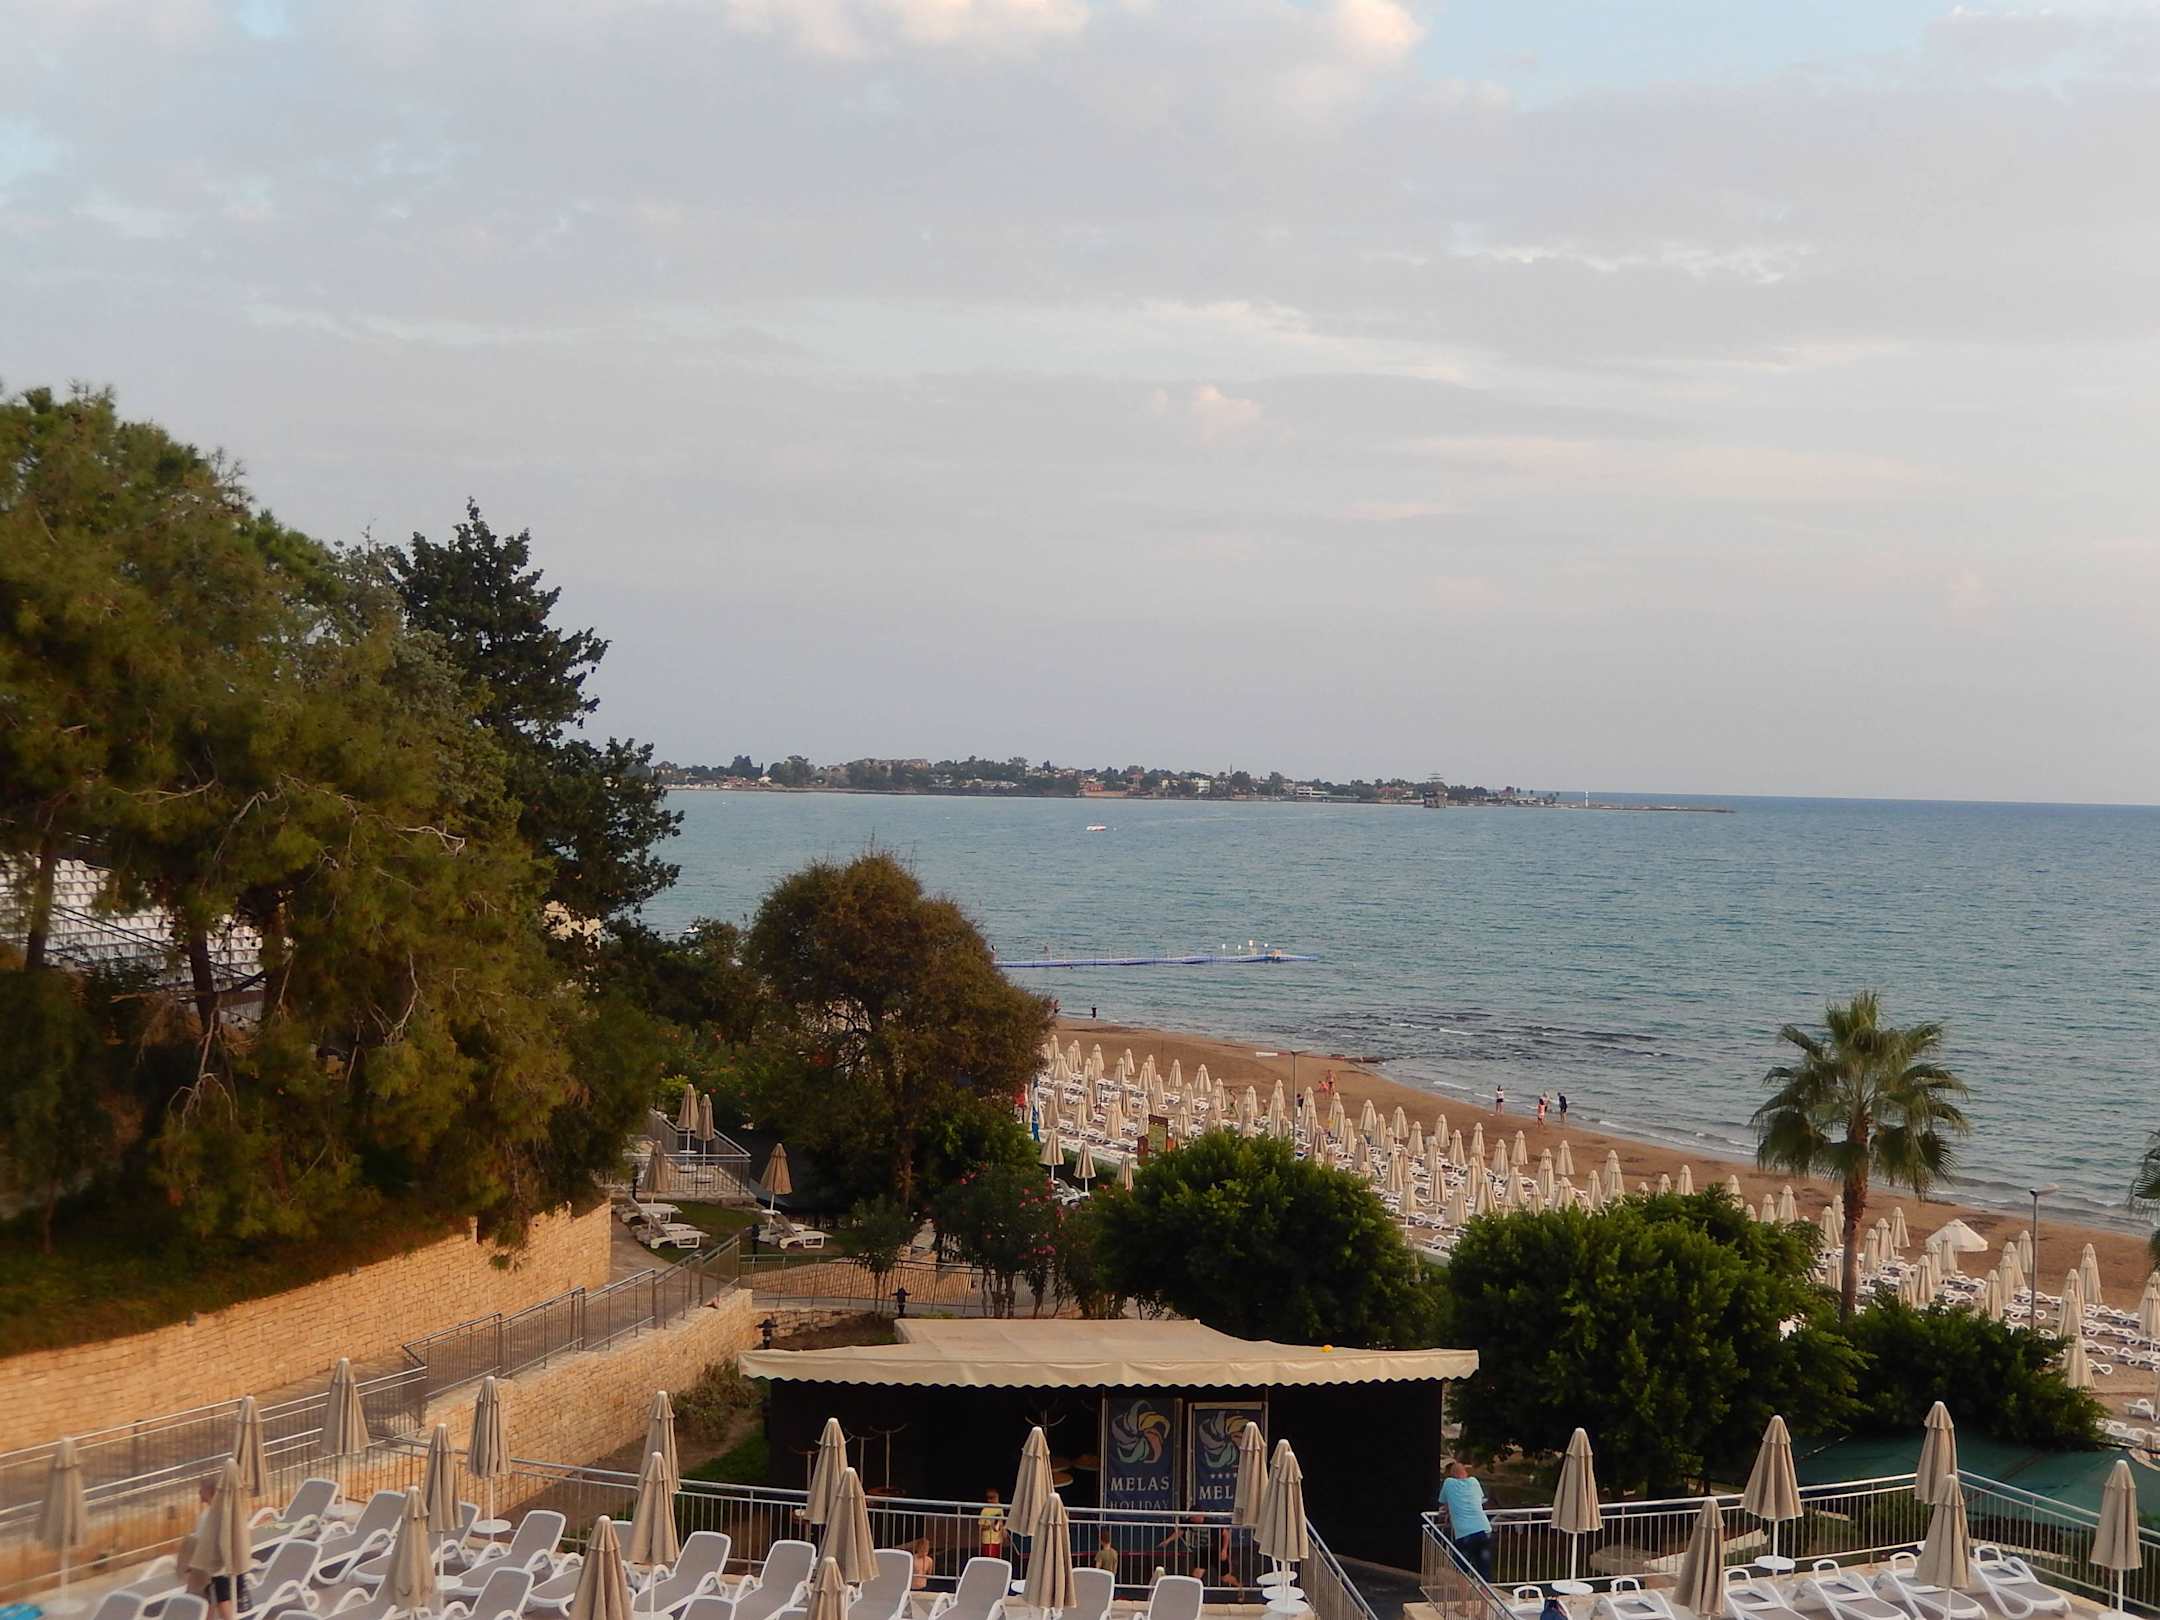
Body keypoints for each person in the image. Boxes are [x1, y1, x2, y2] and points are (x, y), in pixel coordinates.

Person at [181, 1476, 244, 1620]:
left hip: (216, 1567)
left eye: (201, 1490)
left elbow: (203, 1541)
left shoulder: (211, 1515)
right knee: (212, 1598)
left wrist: (193, 1562)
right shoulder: (222, 1511)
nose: (199, 1493)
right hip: (220, 1564)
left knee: (221, 1600)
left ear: (209, 1492)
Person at [1439, 1458, 1493, 1581]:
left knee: (1461, 1571)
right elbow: (1478, 1500)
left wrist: (1449, 1512)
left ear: (1452, 1474)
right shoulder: (1474, 1482)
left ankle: (1463, 1594)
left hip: (1464, 1533)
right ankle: (1484, 1593)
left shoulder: (1448, 1483)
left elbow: (1445, 1504)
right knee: (1484, 1572)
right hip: (1483, 1529)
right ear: (1465, 1472)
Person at [979, 1489, 1007, 1559]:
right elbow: (981, 1526)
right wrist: (991, 1525)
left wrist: (1003, 1530)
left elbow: (1001, 1521)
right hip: (988, 1540)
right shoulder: (985, 1510)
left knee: (997, 1559)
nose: (997, 1500)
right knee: (989, 1559)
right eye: (996, 1498)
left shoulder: (1000, 1507)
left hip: (998, 1540)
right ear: (990, 1499)